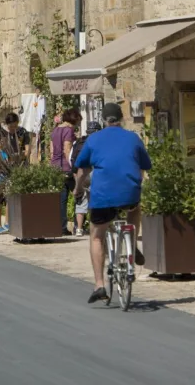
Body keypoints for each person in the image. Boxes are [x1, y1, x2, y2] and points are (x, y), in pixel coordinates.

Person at [74, 103, 152, 303]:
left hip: (102, 195)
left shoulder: (94, 139)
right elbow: (144, 166)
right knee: (134, 209)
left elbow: (82, 170)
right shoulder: (133, 138)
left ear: (103, 120)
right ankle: (132, 242)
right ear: (121, 118)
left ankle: (99, 284)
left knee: (97, 236)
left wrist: (78, 189)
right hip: (129, 193)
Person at [0, 112, 30, 233]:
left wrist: (19, 156)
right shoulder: (1, 134)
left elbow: (27, 150)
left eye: (15, 126)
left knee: (14, 193)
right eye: (11, 127)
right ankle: (0, 224)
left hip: (20, 166)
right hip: (3, 168)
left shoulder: (23, 132)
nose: (13, 129)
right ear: (7, 125)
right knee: (1, 195)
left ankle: (10, 222)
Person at [51, 108, 80, 235]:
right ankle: (78, 226)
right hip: (66, 167)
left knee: (61, 199)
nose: (78, 124)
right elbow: (67, 148)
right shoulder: (68, 130)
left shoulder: (56, 130)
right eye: (78, 121)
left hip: (55, 167)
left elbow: (52, 150)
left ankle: (61, 226)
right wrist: (73, 166)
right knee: (79, 195)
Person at [70, 120, 101, 236]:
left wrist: (75, 176)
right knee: (94, 200)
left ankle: (79, 228)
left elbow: (73, 159)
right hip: (96, 172)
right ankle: (95, 226)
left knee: (81, 200)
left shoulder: (79, 143)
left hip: (81, 172)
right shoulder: (100, 142)